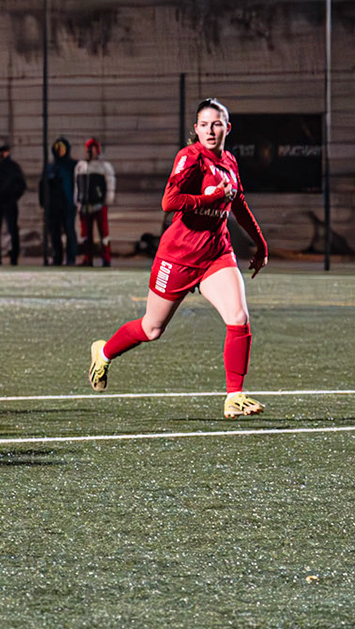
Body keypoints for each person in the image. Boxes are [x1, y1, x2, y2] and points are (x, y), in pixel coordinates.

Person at [86, 98, 268, 418]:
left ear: (227, 127)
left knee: (238, 317)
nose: (211, 130)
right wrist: (207, 197)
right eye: (204, 124)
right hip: (179, 256)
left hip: (216, 253)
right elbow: (168, 202)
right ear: (196, 129)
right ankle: (103, 352)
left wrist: (261, 245)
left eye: (217, 123)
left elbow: (238, 204)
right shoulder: (190, 157)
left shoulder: (230, 162)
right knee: (152, 329)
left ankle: (234, 395)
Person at [76, 136, 117, 267]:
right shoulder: (81, 166)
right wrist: (77, 201)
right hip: (84, 204)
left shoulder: (104, 166)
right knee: (85, 234)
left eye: (92, 149)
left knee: (103, 233)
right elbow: (77, 185)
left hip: (99, 204)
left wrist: (107, 199)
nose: (90, 152)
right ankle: (87, 258)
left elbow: (110, 183)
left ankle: (106, 258)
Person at [0, 139, 26, 266]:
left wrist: (13, 197)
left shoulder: (13, 167)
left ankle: (14, 257)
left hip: (9, 202)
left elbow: (21, 185)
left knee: (12, 229)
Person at [40, 138, 78, 266]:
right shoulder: (50, 167)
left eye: (62, 149)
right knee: (54, 233)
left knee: (69, 231)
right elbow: (43, 186)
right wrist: (43, 202)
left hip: (68, 204)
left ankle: (71, 258)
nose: (60, 151)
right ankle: (57, 257)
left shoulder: (73, 166)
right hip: (53, 206)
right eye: (58, 149)